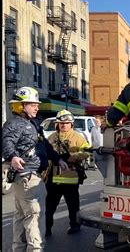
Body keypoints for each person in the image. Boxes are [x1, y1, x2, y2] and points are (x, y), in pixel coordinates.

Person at [2, 86, 68, 251]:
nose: (37, 107)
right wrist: (13, 156)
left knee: (21, 215)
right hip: (28, 177)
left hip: (28, 176)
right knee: (35, 217)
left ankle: (19, 248)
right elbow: (6, 141)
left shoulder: (32, 123)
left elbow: (44, 144)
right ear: (20, 106)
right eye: (32, 104)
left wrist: (57, 159)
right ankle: (35, 249)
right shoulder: (15, 123)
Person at [45, 109, 90, 236]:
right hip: (53, 178)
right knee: (49, 206)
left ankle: (75, 225)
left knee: (73, 205)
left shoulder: (77, 137)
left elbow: (88, 151)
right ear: (57, 124)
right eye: (61, 123)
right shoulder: (52, 137)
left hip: (70, 177)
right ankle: (46, 228)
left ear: (72, 124)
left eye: (67, 123)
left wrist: (74, 156)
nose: (64, 125)